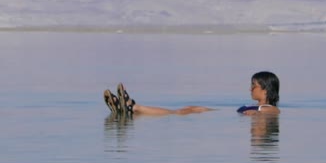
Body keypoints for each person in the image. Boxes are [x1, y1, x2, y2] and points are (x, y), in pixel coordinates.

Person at [103, 70, 280, 116]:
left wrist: (257, 113)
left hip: (222, 117)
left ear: (264, 89)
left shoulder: (267, 109)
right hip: (220, 113)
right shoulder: (255, 107)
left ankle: (134, 107)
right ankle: (129, 109)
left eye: (253, 85)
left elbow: (274, 111)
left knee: (179, 112)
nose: (250, 89)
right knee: (190, 108)